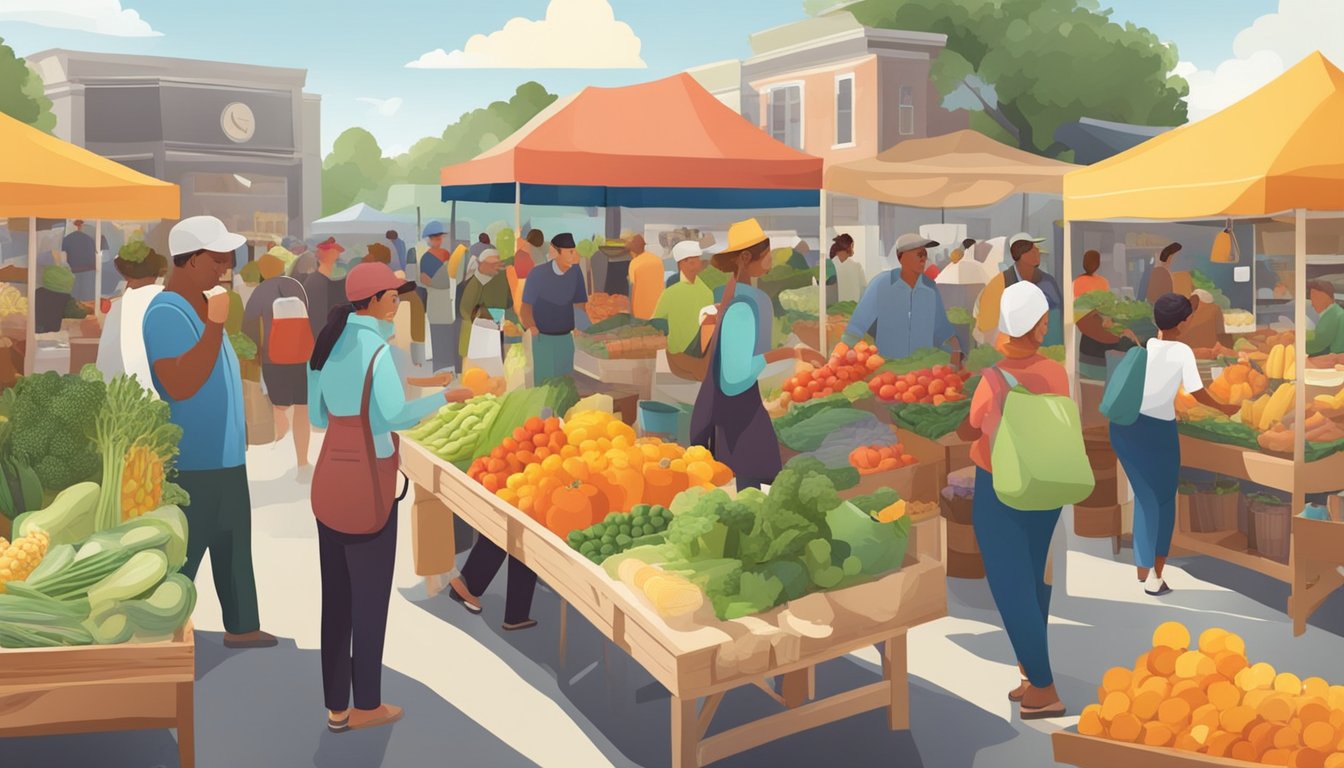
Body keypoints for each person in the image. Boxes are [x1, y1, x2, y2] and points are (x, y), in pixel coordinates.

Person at [308, 261, 468, 732]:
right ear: (374, 301)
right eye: (394, 297)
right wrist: (447, 397)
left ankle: (336, 706)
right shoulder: (377, 350)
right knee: (370, 601)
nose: (398, 303)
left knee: (335, 601)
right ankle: (368, 704)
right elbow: (397, 415)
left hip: (330, 482)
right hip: (368, 486)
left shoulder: (328, 343)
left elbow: (318, 415)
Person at [143, 215, 275, 650]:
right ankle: (160, 634)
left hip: (226, 456)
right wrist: (216, 325)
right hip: (193, 459)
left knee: (234, 543)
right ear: (189, 260)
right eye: (216, 258)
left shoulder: (203, 307)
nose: (225, 265)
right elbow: (179, 383)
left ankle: (243, 626)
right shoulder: (166, 311)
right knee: (185, 549)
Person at [957, 281, 1069, 720]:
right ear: (1040, 326)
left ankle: (1045, 688)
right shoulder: (1055, 372)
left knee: (1010, 585)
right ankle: (1030, 673)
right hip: (1046, 485)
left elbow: (971, 428)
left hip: (1002, 486)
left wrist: (970, 429)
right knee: (1034, 580)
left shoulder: (993, 379)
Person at [1112, 293, 1238, 597]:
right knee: (1164, 502)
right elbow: (1197, 392)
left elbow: (1152, 388)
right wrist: (1226, 409)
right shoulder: (1182, 351)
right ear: (1184, 322)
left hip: (1124, 429)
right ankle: (1155, 576)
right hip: (1156, 432)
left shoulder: (1146, 346)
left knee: (1144, 499)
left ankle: (1143, 570)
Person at [690, 219, 826, 489]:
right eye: (767, 253)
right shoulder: (744, 305)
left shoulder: (739, 296)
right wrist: (791, 353)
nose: (771, 259)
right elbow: (735, 378)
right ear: (746, 257)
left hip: (735, 419)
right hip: (741, 421)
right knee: (751, 495)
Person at [243, 249, 313, 481]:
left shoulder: (260, 292)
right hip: (301, 355)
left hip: (273, 358)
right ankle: (302, 462)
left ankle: (280, 447)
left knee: (278, 406)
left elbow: (250, 327)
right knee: (302, 407)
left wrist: (254, 354)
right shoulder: (297, 287)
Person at [843, 233, 963, 363]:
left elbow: (942, 328)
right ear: (902, 257)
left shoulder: (930, 288)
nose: (924, 259)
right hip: (888, 367)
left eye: (925, 254)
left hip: (923, 367)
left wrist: (956, 350)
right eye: (919, 254)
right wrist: (840, 358)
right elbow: (856, 327)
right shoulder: (881, 284)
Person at [96, 239, 166, 389]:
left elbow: (106, 362)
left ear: (125, 275)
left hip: (120, 392)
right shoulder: (168, 301)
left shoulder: (119, 307)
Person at [974, 233, 1064, 347]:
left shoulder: (1048, 282)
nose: (1038, 253)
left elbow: (1057, 316)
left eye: (1037, 250)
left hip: (1045, 349)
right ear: (1020, 255)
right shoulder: (1000, 284)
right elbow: (987, 329)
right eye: (1033, 250)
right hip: (1010, 351)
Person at [521, 233, 588, 383]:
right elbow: (525, 307)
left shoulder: (576, 273)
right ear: (555, 252)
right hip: (543, 339)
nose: (575, 255)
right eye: (570, 251)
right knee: (545, 385)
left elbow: (579, 304)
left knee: (565, 385)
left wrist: (582, 327)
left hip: (566, 339)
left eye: (574, 251)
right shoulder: (537, 274)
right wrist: (531, 327)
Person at [653, 240, 715, 356]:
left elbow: (657, 321)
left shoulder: (707, 291)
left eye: (694, 259)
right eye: (687, 260)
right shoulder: (672, 290)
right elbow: (658, 321)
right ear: (680, 264)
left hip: (693, 351)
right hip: (683, 351)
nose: (692, 263)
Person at [418, 221, 461, 373]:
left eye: (440, 237)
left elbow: (452, 274)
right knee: (437, 332)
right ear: (429, 239)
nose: (438, 240)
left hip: (448, 298)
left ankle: (450, 366)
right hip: (436, 298)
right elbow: (424, 279)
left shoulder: (446, 254)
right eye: (435, 238)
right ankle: (440, 368)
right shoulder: (425, 258)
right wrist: (438, 282)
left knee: (449, 332)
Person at [458, 248, 512, 363]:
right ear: (481, 265)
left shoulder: (501, 278)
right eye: (491, 264)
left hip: (497, 334)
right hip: (476, 337)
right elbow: (466, 311)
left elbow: (509, 302)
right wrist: (493, 314)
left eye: (497, 263)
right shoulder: (474, 283)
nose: (495, 267)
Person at [627, 234, 665, 321]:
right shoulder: (658, 260)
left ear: (632, 251)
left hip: (641, 309)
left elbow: (632, 285)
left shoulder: (634, 263)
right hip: (658, 307)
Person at [62, 219, 98, 302]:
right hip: (88, 272)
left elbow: (63, 257)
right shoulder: (89, 239)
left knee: (74, 299)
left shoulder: (67, 239)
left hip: (74, 271)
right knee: (87, 300)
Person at [1307, 280, 1344, 357]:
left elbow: (1318, 344)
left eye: (1315, 298)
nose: (1312, 304)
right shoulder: (1335, 312)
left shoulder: (1333, 315)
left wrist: (1296, 343)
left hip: (1334, 360)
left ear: (1325, 298)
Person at [831, 234, 867, 304]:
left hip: (833, 310)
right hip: (851, 309)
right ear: (849, 246)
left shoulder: (830, 265)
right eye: (852, 246)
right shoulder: (857, 267)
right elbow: (864, 289)